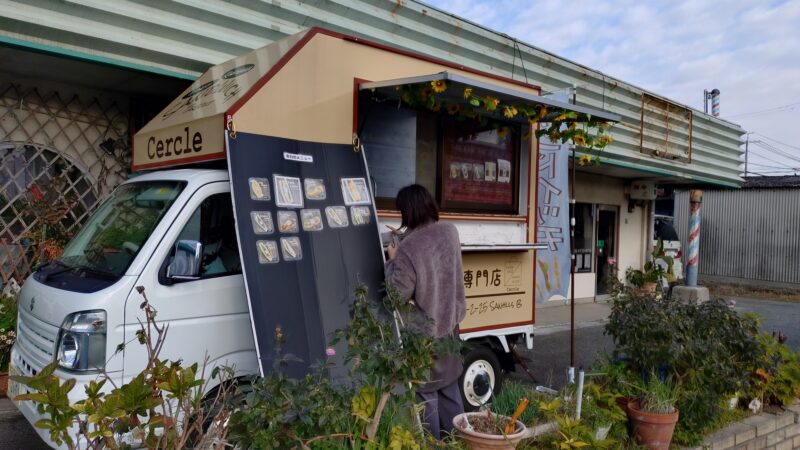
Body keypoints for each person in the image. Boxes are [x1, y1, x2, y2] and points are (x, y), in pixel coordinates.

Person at [385, 184, 466, 440]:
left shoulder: (409, 247)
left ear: (407, 212)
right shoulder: (450, 232)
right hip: (450, 326)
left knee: (426, 395)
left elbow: (397, 295)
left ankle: (432, 445)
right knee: (451, 390)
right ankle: (457, 442)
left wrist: (392, 259)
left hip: (424, 336)